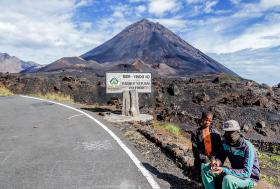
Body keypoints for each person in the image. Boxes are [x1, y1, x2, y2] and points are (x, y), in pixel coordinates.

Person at [201, 120, 260, 189]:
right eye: (226, 132)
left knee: (228, 179)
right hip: (233, 173)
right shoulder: (226, 143)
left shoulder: (247, 148)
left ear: (238, 132)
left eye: (231, 132)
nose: (228, 135)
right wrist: (217, 162)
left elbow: (246, 173)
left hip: (249, 178)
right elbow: (221, 156)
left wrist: (224, 170)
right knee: (205, 167)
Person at [191, 111, 222, 179]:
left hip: (213, 161)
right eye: (205, 119)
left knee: (213, 179)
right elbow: (195, 149)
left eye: (209, 120)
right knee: (201, 179)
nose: (207, 122)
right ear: (202, 119)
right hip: (200, 161)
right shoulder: (195, 133)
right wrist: (205, 158)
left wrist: (213, 158)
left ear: (211, 121)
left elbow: (219, 148)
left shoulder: (216, 134)